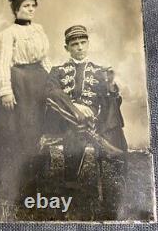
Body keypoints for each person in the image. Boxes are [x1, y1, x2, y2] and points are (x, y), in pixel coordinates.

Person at [0, 0, 51, 203]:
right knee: (14, 132)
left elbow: (44, 59)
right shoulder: (8, 33)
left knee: (36, 127)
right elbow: (4, 63)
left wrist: (52, 80)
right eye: (25, 6)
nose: (30, 10)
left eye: (33, 6)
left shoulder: (39, 29)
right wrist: (6, 90)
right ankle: (10, 180)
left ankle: (35, 175)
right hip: (19, 84)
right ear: (16, 9)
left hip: (38, 83)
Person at [44, 25, 128, 186]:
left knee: (111, 102)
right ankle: (73, 178)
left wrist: (111, 87)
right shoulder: (57, 71)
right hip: (64, 119)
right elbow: (51, 92)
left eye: (83, 42)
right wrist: (74, 107)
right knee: (74, 129)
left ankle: (72, 181)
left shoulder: (99, 71)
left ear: (88, 44)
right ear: (66, 48)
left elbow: (112, 102)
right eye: (74, 44)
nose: (80, 47)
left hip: (94, 119)